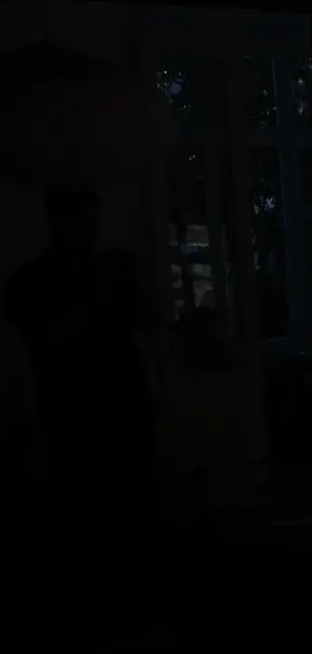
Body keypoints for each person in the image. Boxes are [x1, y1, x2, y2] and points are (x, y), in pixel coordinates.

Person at [3, 188, 163, 649]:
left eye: (93, 220)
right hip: (74, 427)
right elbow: (42, 340)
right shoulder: (33, 279)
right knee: (80, 529)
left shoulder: (110, 268)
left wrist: (139, 282)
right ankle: (86, 625)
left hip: (125, 423)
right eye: (79, 220)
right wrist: (95, 300)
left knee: (131, 526)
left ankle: (135, 620)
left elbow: (152, 321)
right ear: (55, 221)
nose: (89, 231)